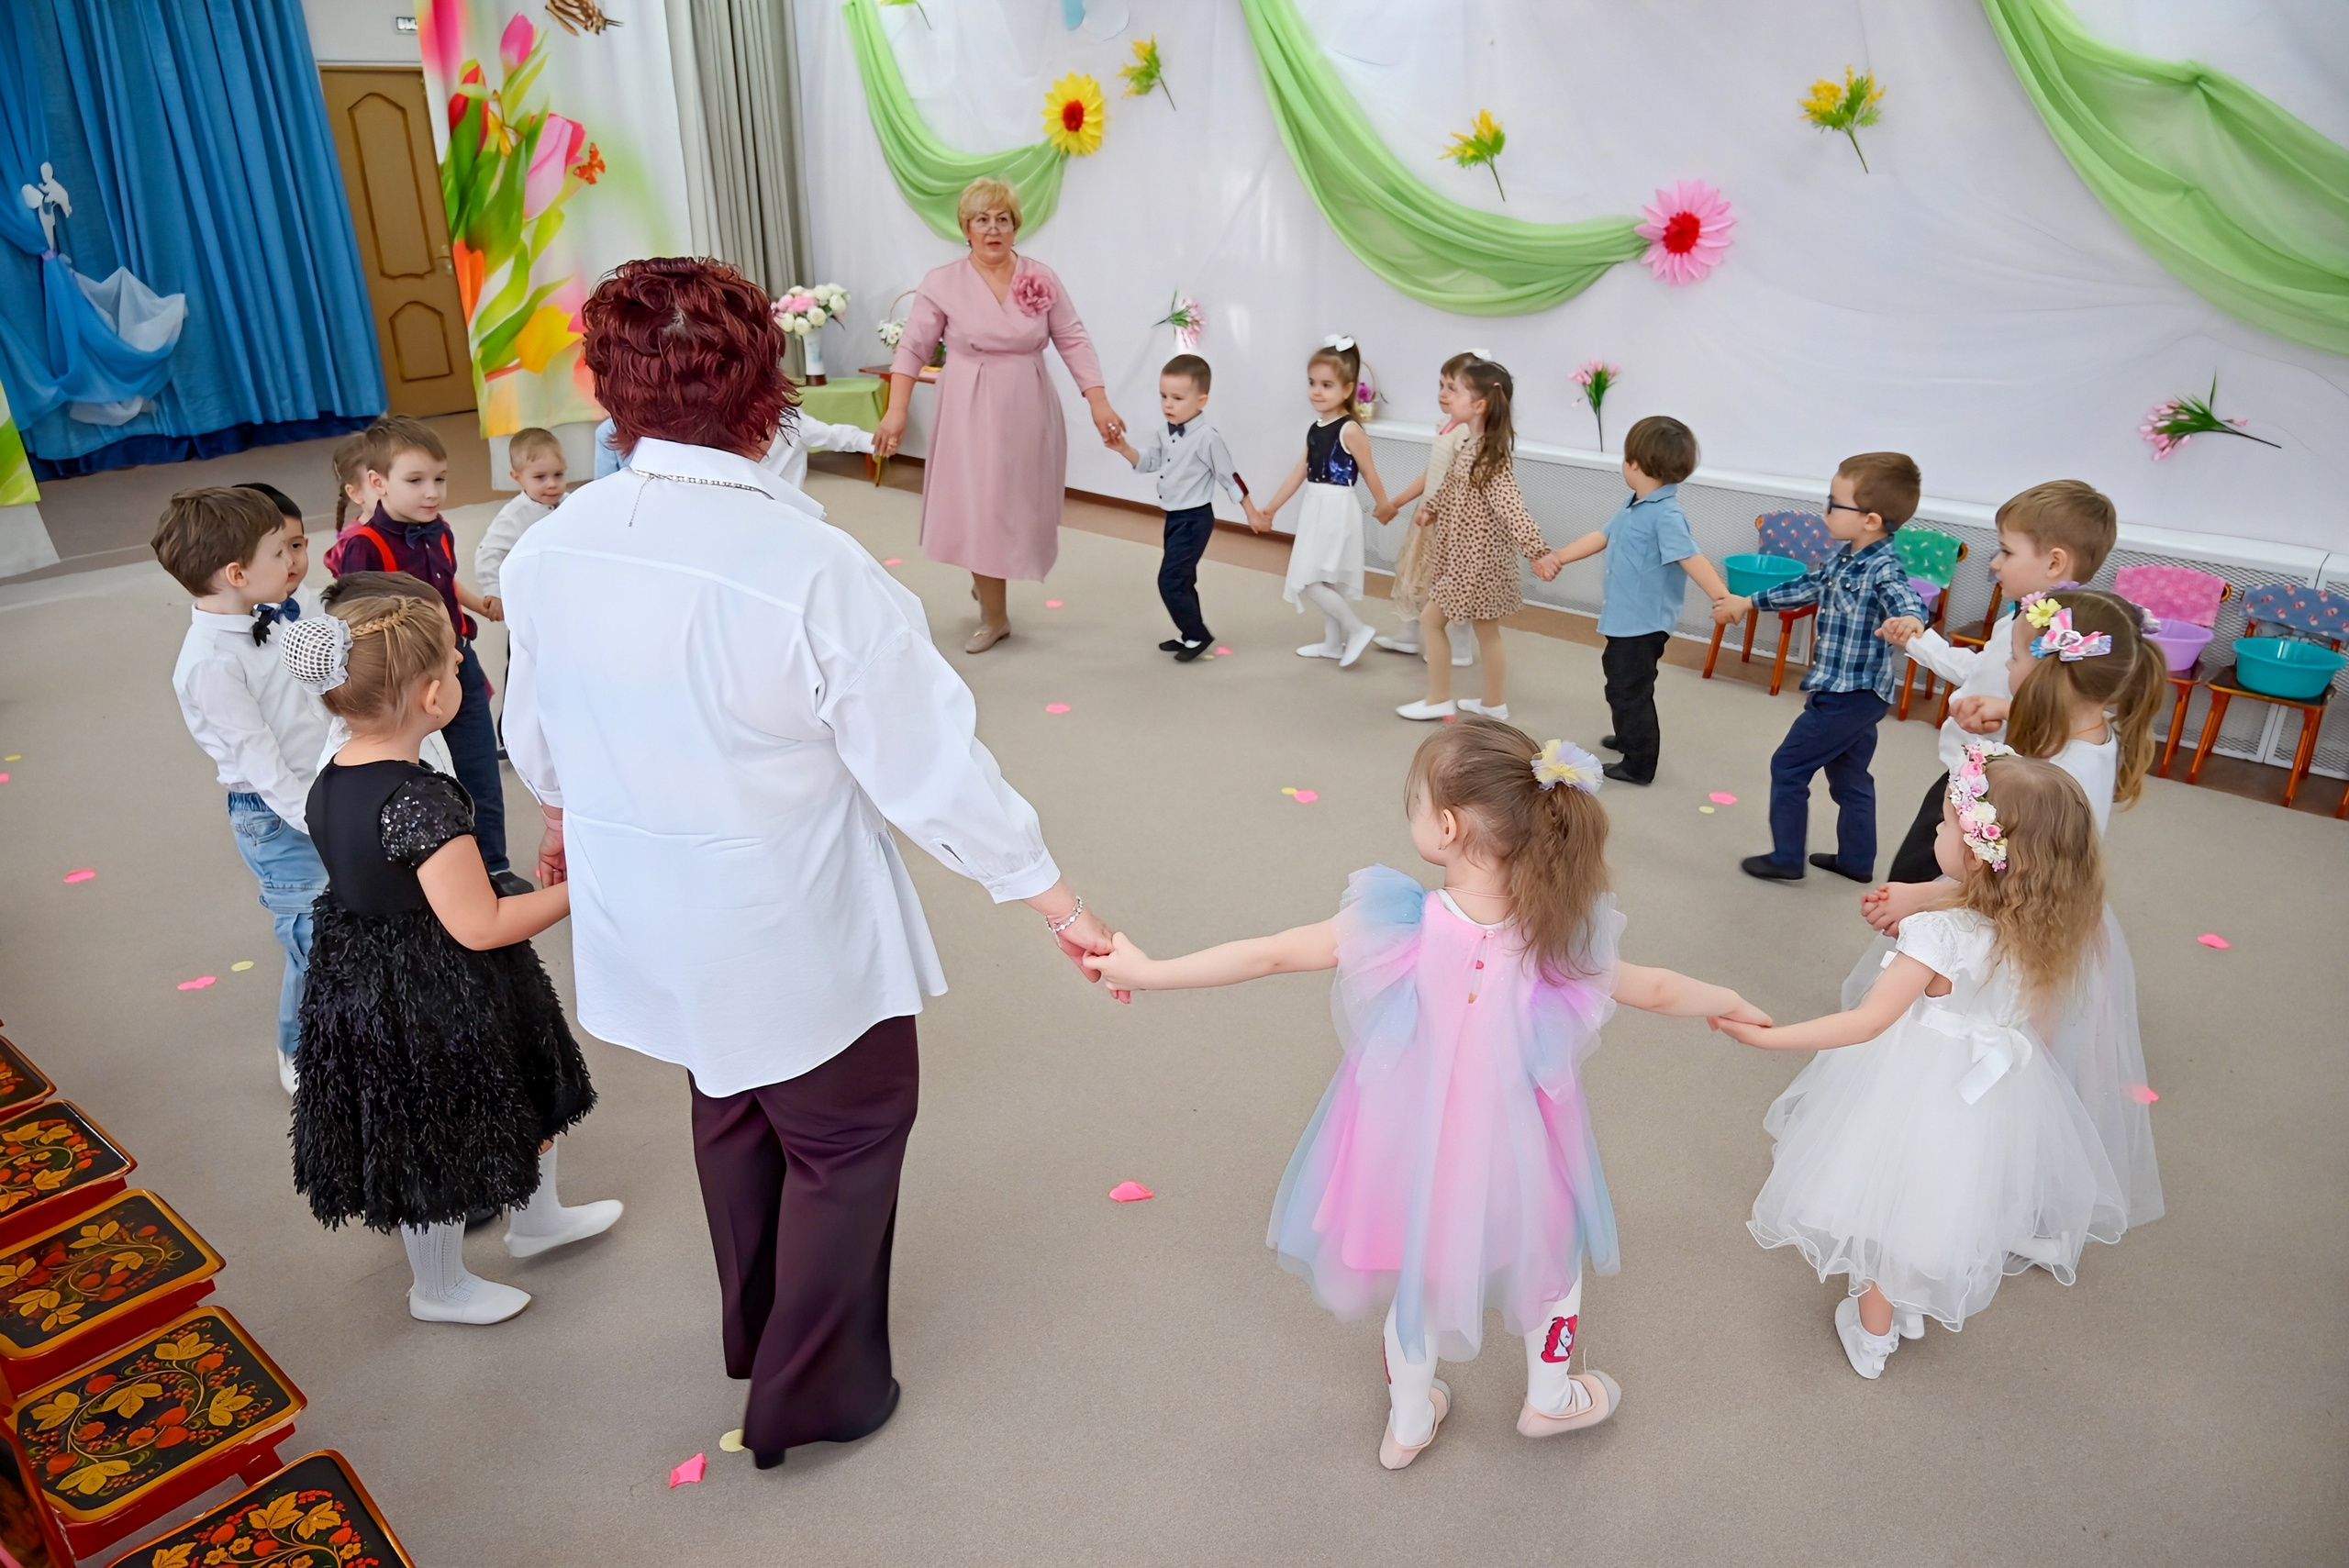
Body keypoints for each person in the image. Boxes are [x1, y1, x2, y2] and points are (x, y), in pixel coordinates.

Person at [499, 257, 1124, 1469]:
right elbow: (928, 770)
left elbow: (539, 747)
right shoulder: (808, 568)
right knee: (845, 1134)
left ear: (604, 388)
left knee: (730, 1102)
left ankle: (756, 1329)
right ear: (762, 389)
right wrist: (1054, 897)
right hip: (783, 920)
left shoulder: (548, 546)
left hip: (647, 907)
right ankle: (815, 1386)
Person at [1084, 720, 1765, 1467]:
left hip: (1398, 1143)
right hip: (1515, 1149)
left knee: (1417, 1270)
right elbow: (1658, 988)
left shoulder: (1398, 920)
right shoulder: (1558, 934)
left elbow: (1268, 954)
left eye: (1412, 803)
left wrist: (1147, 971)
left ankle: (1410, 1418)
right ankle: (1551, 1396)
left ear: (1444, 827)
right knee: (1552, 1260)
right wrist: (1724, 997)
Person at [1720, 749, 2127, 1378]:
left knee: (1890, 1192)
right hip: (1991, 1092)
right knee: (1944, 1194)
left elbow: (1868, 1020)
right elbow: (2038, 1024)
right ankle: (1907, 1304)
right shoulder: (2048, 925)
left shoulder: (1943, 933)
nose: (1934, 833)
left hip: (1918, 1079)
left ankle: (1873, 1331)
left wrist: (1769, 1037)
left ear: (1980, 850)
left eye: (1944, 826)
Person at [278, 590, 617, 1326]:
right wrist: (585, 891)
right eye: (456, 663)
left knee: (514, 1092)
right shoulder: (419, 798)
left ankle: (537, 1219)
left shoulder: (333, 769)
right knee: (438, 1135)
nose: (462, 669)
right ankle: (438, 1287)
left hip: (373, 975)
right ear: (433, 696)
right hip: (432, 991)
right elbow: (483, 922)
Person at [1853, 589, 2167, 1229]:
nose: (2009, 667)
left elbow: (2007, 880)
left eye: (2018, 657)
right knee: (2030, 1048)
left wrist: (1918, 894)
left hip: (2025, 919)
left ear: (2053, 673)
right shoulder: (2088, 734)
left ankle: (1988, 1173)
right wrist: (2005, 711)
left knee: (2009, 1049)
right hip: (2058, 912)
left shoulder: (2061, 770)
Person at [874, 176, 1126, 654]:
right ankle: (995, 615)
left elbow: (1072, 337)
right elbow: (912, 348)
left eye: (1003, 219)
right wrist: (897, 411)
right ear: (965, 228)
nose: (993, 229)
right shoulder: (942, 282)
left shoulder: (1040, 278)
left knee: (1017, 506)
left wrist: (1098, 400)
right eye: (982, 220)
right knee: (982, 506)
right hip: (968, 404)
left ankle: (989, 583)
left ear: (1016, 227)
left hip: (1029, 403)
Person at [158, 487, 328, 1095]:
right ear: (237, 573)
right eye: (281, 551)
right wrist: (325, 818)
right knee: (315, 934)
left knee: (361, 917)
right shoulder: (209, 661)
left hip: (326, 784)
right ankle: (297, 1046)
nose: (295, 561)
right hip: (278, 815)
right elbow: (262, 764)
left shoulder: (287, 606)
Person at [1875, 480, 2118, 883]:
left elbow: (2056, 713)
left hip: (1987, 791)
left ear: (2055, 563)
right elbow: (1982, 673)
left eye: (2006, 551)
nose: (1994, 564)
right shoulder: (2024, 622)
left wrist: (2005, 710)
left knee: (1919, 883)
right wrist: (1919, 641)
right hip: (1971, 774)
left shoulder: (2047, 632)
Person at [326, 417, 526, 894]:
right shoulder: (362, 547)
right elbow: (359, 622)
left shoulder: (438, 529)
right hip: (407, 676)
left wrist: (477, 604)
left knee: (478, 765)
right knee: (427, 771)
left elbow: (443, 582)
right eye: (415, 481)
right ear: (376, 483)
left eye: (439, 479)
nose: (432, 492)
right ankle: (438, 872)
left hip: (459, 657)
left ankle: (493, 866)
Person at [1712, 453, 1927, 883]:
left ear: (1870, 520)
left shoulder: (1882, 567)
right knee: (1850, 777)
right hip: (1854, 693)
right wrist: (1747, 601)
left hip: (1849, 695)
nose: (1824, 510)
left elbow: (1905, 598)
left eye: (1833, 502)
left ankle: (1787, 857)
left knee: (1788, 766)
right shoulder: (1845, 557)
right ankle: (1856, 861)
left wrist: (1911, 619)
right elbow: (1806, 585)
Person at [1530, 416, 1732, 784]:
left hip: (1644, 623)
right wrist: (1559, 557)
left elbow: (1691, 557)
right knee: (1619, 680)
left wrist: (1723, 597)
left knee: (1631, 689)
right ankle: (1628, 736)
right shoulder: (1635, 504)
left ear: (1635, 464)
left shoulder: (1666, 515)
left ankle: (1640, 762)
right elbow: (1602, 536)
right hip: (1624, 618)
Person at [1391, 357, 1546, 720]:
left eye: (1454, 390)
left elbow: (1513, 508)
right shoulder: (1473, 448)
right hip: (1472, 560)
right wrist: (1433, 508)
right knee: (1487, 632)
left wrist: (1538, 551)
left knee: (1431, 621)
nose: (1445, 396)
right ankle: (1493, 703)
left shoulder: (1489, 458)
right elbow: (1455, 488)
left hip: (1472, 564)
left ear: (1479, 405)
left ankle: (1438, 699)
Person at [1246, 336, 1393, 669]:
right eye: (1312, 383)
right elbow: (1299, 472)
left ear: (1347, 389)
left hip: (1336, 507)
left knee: (1309, 579)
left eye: (1326, 385)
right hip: (1316, 505)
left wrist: (1384, 504)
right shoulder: (1316, 427)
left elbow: (1369, 471)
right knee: (1323, 579)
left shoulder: (1350, 429)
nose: (1316, 391)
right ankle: (1332, 643)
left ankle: (1357, 629)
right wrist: (1272, 507)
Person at [1108, 353, 1248, 662]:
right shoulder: (1165, 433)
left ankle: (1198, 635)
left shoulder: (1208, 438)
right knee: (1183, 578)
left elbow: (1229, 475)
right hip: (1173, 517)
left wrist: (1251, 511)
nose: (1168, 404)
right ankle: (1189, 633)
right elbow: (1150, 462)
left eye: (1177, 398)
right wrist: (1124, 449)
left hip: (1195, 519)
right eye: (1163, 396)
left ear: (1201, 401)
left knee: (1169, 580)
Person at [1372, 353, 1481, 670]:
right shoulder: (1445, 426)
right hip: (1428, 515)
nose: (1443, 394)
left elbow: (1464, 482)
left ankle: (1460, 647)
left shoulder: (1470, 435)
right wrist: (1397, 502)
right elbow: (1431, 473)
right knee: (1417, 575)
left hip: (1452, 521)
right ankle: (1410, 633)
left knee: (1451, 583)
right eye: (1441, 385)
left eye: (1452, 388)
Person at [475, 427, 569, 618]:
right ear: (517, 478)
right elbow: (489, 552)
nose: (552, 483)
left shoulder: (572, 504)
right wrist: (494, 591)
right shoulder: (514, 516)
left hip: (567, 593)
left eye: (558, 475)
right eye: (540, 477)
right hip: (531, 600)